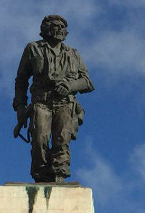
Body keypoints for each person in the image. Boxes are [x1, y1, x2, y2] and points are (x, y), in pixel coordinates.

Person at [13, 14, 95, 183]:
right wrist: (20, 107)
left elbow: (87, 82)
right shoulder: (33, 48)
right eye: (56, 25)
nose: (60, 29)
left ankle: (59, 175)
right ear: (45, 29)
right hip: (41, 102)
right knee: (39, 139)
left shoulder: (73, 54)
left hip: (64, 103)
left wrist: (70, 86)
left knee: (62, 140)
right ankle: (41, 176)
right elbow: (21, 80)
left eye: (62, 27)